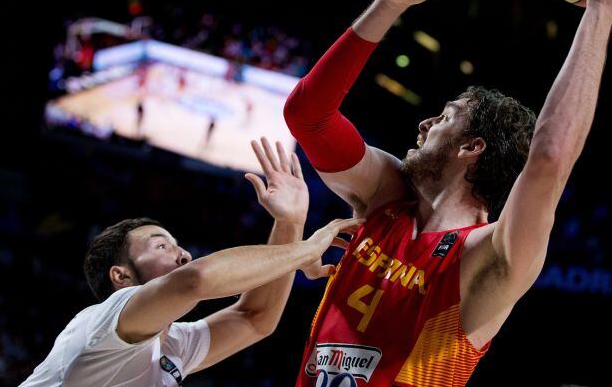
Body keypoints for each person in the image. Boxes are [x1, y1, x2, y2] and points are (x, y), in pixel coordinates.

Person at [284, 0, 612, 387]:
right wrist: (392, 2)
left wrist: (600, 12)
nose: (423, 123)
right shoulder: (385, 198)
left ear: (472, 147)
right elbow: (308, 116)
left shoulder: (487, 257)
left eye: (445, 116)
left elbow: (548, 160)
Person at [20, 138, 362, 386]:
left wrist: (290, 222)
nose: (182, 254)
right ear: (121, 276)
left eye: (178, 245)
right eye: (161, 246)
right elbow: (195, 280)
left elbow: (255, 318)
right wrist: (306, 249)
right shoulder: (105, 317)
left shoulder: (173, 345)